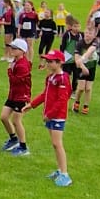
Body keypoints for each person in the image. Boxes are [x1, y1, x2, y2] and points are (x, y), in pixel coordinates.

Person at [28, 52, 76, 186]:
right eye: (47, 61)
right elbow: (45, 94)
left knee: (57, 143)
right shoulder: (50, 77)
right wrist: (31, 105)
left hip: (58, 116)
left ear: (60, 63)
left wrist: (50, 114)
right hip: (50, 115)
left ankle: (65, 174)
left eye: (51, 62)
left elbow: (62, 100)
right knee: (54, 144)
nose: (48, 64)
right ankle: (60, 170)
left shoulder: (63, 79)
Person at [0, 37, 31, 154]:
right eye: (12, 47)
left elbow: (16, 81)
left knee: (16, 121)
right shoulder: (15, 61)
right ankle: (13, 139)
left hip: (21, 97)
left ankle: (23, 146)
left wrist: (9, 71)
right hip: (13, 95)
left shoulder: (22, 65)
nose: (12, 50)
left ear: (22, 51)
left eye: (15, 48)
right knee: (4, 117)